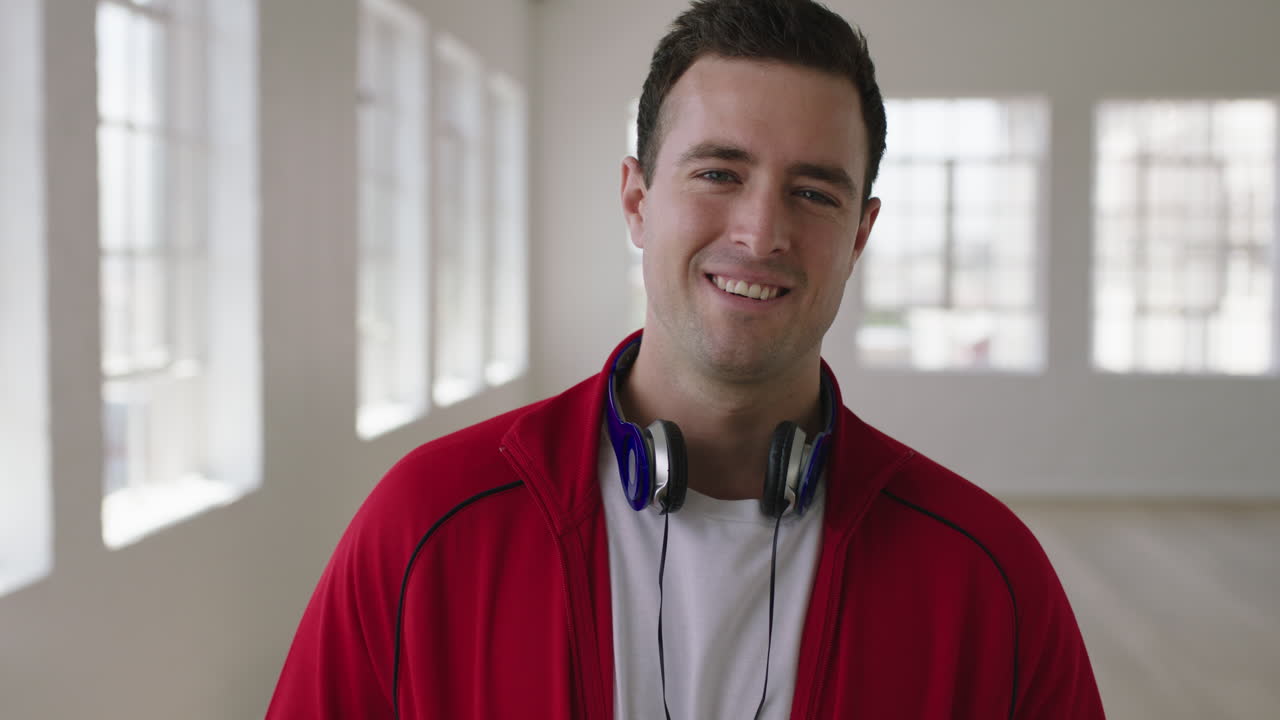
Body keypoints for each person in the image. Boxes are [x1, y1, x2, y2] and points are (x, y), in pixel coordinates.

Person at [267, 0, 1106, 717]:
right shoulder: (427, 526)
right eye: (718, 173)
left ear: (860, 234)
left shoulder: (986, 576)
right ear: (637, 200)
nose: (760, 232)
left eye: (813, 192)